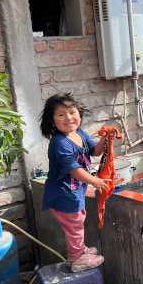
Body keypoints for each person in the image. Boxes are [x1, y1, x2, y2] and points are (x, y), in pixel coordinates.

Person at [39, 93, 110, 272]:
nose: (68, 117)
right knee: (75, 224)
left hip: (72, 192)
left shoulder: (80, 134)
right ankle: (78, 258)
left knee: (77, 222)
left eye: (72, 112)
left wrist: (106, 138)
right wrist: (95, 181)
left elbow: (95, 151)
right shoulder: (59, 143)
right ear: (52, 121)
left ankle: (75, 251)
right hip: (62, 194)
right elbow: (73, 169)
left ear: (79, 114)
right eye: (61, 114)